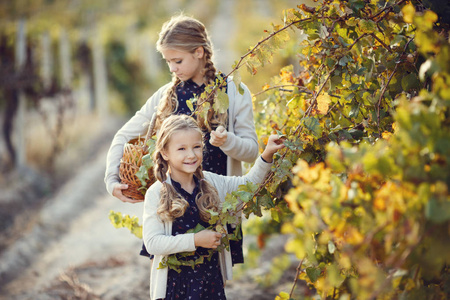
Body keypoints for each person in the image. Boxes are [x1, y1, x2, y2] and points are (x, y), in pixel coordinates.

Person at [104, 13, 258, 264]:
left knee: (213, 280)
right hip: (174, 209)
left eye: (177, 60)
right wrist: (111, 179)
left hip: (216, 207)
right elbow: (124, 134)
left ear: (199, 52)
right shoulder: (167, 96)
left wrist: (227, 141)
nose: (172, 69)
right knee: (173, 278)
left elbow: (252, 151)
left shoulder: (234, 92)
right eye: (167, 62)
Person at [142, 115, 285, 300]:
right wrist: (195, 240)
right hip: (175, 286)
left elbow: (248, 185)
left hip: (210, 282)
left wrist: (267, 155)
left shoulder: (211, 182)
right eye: (182, 149)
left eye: (196, 147)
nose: (191, 155)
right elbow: (153, 243)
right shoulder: (156, 193)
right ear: (165, 152)